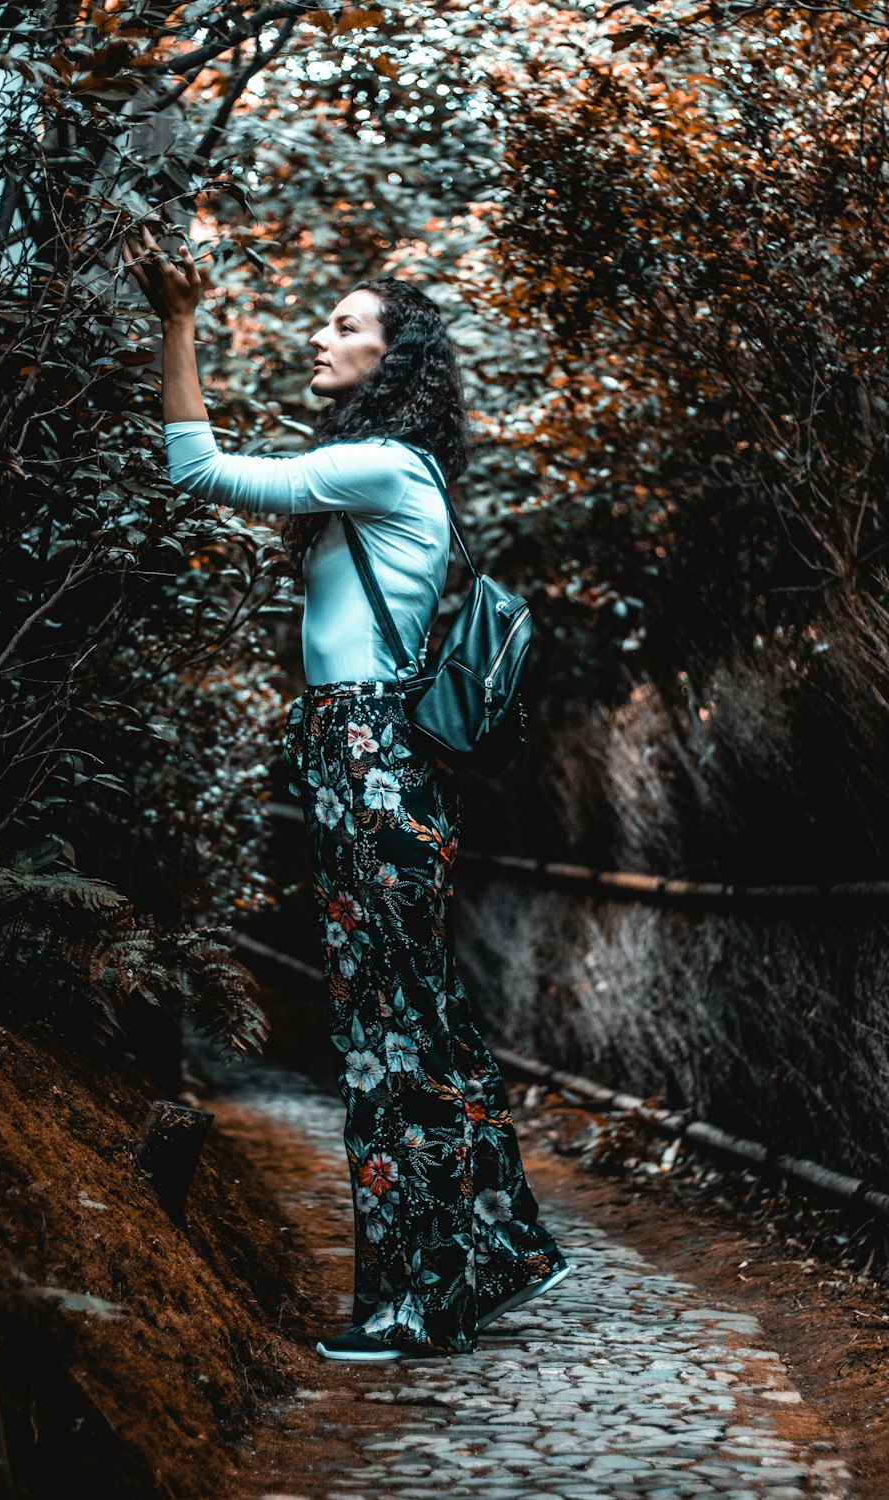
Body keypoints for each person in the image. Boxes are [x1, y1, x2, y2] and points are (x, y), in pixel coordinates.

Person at [122, 223, 572, 1362]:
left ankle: (418, 1300)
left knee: (385, 1033)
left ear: (394, 360)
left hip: (370, 755)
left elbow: (196, 470)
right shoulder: (380, 471)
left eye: (344, 325)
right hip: (366, 757)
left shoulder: (379, 467)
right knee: (412, 1018)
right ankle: (494, 1251)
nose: (320, 338)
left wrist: (177, 319)